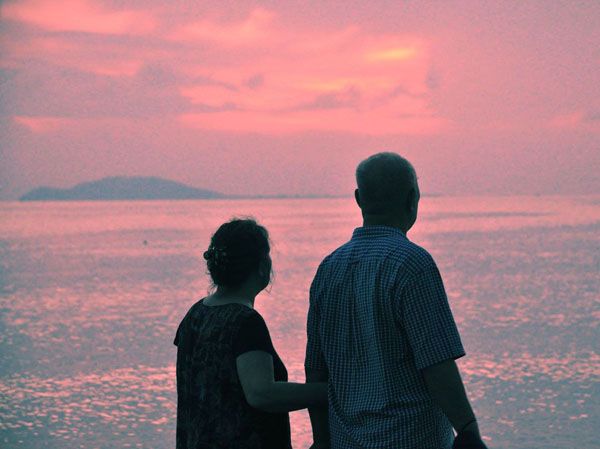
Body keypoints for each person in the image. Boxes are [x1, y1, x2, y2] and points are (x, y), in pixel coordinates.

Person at [305, 152, 488, 449]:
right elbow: (436, 364)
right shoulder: (412, 264)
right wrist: (468, 430)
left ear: (358, 199)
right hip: (412, 438)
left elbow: (316, 370)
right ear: (412, 197)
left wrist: (321, 440)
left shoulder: (328, 268)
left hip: (346, 441)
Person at [175, 218, 327, 449]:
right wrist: (330, 392)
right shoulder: (245, 322)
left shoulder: (194, 315)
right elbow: (261, 393)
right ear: (262, 266)